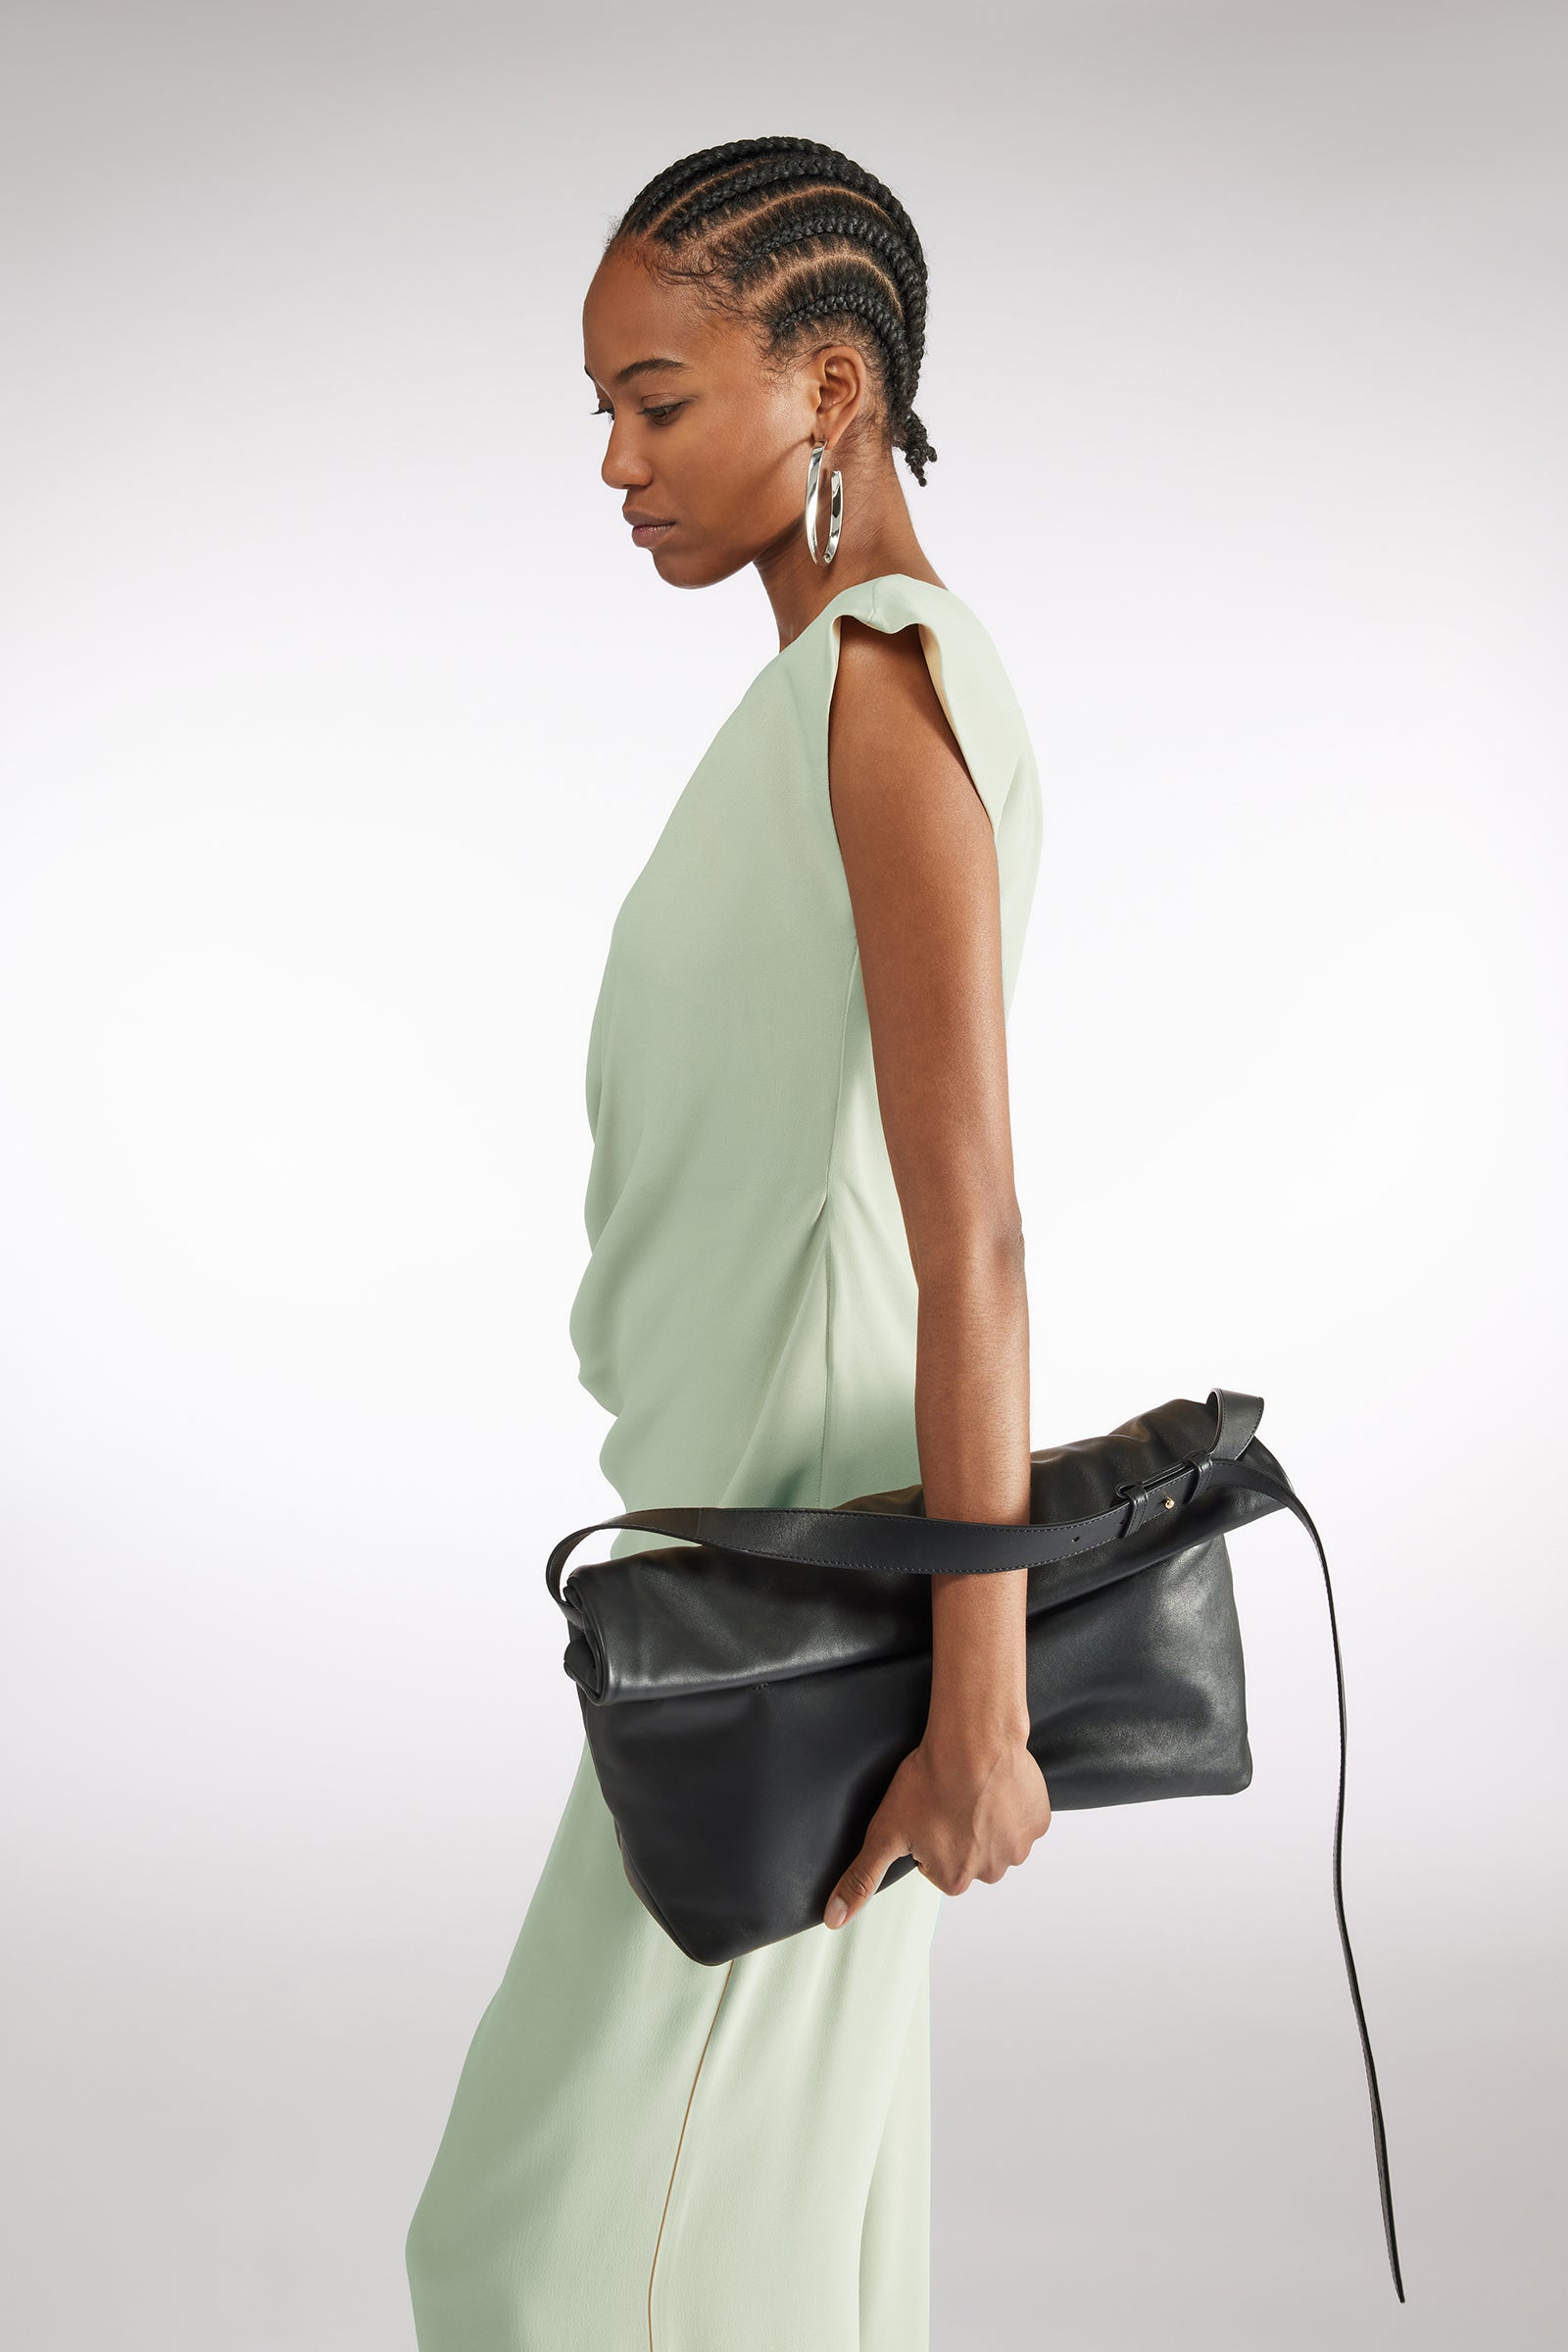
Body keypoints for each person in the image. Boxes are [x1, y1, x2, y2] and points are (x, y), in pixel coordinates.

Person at [406, 133, 1052, 2351]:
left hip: (818, 1601)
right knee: (757, 2237)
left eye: (659, 399)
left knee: (543, 2255)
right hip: (751, 1566)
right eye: (602, 406)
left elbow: (970, 1235)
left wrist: (975, 1710)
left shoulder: (881, 695)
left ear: (829, 386)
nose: (616, 460)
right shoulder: (825, 700)